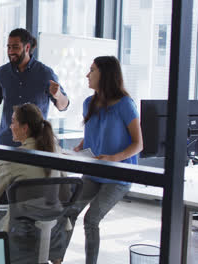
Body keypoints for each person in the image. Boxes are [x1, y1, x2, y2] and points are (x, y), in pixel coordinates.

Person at [62, 56, 143, 264]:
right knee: (69, 212)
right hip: (93, 172)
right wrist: (82, 145)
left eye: (92, 70)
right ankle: (56, 259)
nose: (87, 75)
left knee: (91, 219)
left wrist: (114, 158)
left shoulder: (125, 104)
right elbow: (98, 130)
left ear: (105, 75)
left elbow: (138, 144)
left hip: (118, 176)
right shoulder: (88, 103)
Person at [0, 103, 68, 264]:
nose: (10, 126)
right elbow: (66, 192)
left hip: (21, 235)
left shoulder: (14, 157)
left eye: (13, 122)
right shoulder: (56, 150)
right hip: (56, 232)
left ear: (24, 128)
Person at [0, 28, 69, 152]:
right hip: (6, 141)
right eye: (8, 47)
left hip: (35, 144)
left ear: (27, 48)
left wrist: (58, 95)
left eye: (15, 47)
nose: (10, 51)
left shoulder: (45, 73)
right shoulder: (2, 72)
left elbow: (64, 106)